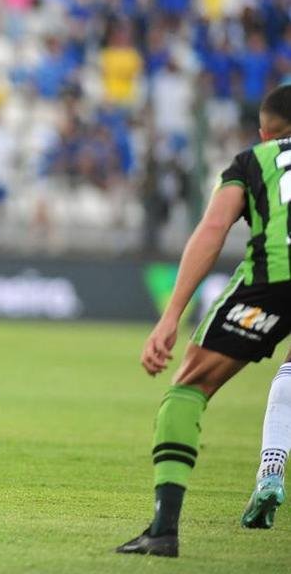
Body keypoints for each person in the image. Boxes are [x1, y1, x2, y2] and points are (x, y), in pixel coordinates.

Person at [117, 84, 291, 557]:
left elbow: (213, 228)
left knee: (189, 388)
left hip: (272, 283)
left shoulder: (251, 161)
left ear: (263, 131)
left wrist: (170, 316)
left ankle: (163, 529)